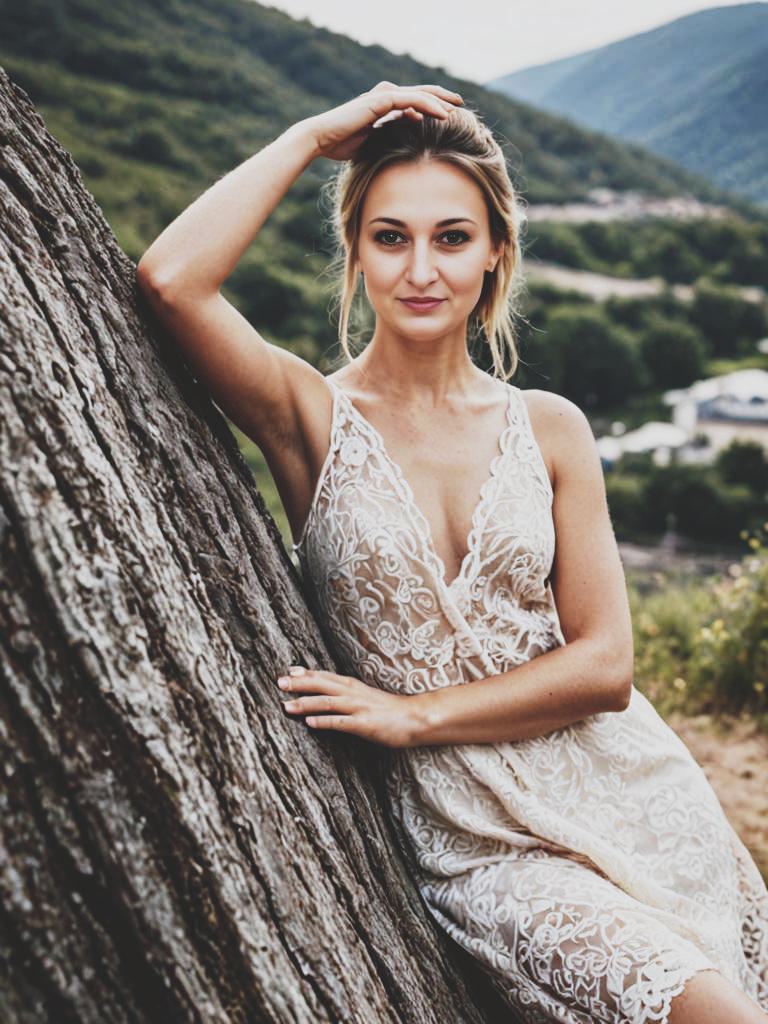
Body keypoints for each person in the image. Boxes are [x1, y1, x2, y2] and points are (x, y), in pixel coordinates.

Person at [136, 81, 768, 1023]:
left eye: (452, 237)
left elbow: (604, 665)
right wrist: (313, 136)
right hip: (476, 840)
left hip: (633, 794)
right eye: (390, 236)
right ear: (354, 250)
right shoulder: (311, 418)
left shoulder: (552, 428)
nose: (421, 268)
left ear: (496, 253)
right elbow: (170, 280)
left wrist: (411, 716)